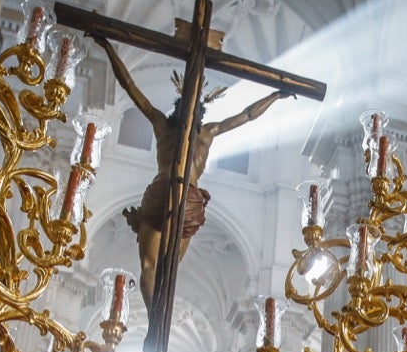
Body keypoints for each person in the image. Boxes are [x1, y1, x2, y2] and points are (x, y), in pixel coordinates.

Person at [96, 39, 291, 315]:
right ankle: (159, 320)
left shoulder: (162, 125)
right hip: (188, 199)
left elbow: (130, 86)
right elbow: (247, 116)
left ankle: (155, 320)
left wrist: (109, 48)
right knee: (168, 269)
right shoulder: (207, 132)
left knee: (151, 267)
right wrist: (275, 96)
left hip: (164, 191)